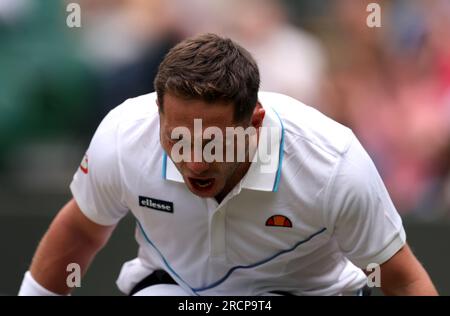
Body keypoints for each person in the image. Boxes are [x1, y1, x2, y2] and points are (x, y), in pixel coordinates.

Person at [19, 33, 437, 296]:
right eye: (177, 138)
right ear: (159, 114)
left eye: (213, 141)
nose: (195, 162)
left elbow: (401, 280)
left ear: (254, 121)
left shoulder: (333, 165)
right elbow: (80, 230)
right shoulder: (124, 135)